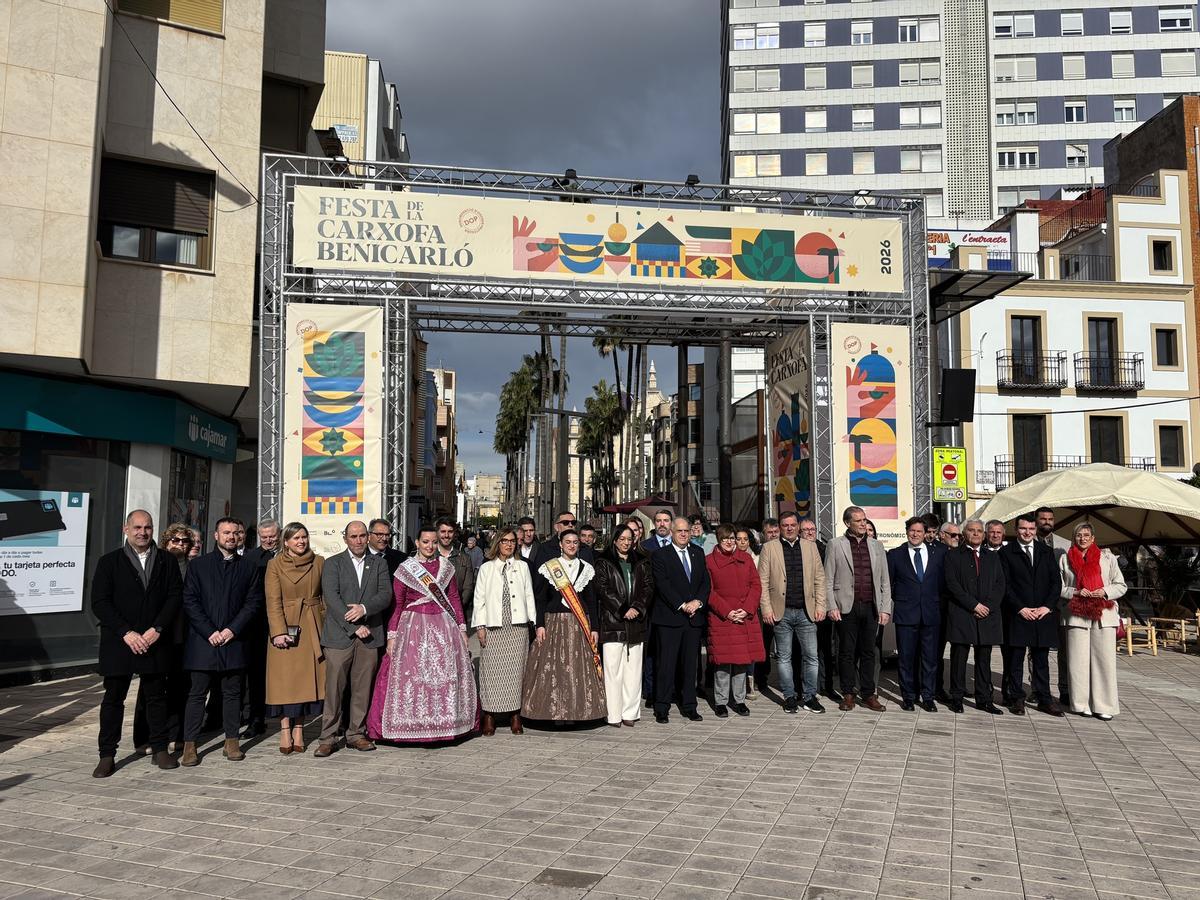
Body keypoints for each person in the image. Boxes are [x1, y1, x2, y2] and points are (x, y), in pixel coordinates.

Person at [91, 510, 184, 777]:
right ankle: (107, 754)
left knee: (156, 697)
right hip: (120, 641)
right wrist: (126, 632)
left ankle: (159, 749)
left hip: (155, 640)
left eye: (148, 527)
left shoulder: (167, 560)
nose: (143, 532)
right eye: (138, 527)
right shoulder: (109, 562)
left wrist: (157, 629)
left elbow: (174, 597)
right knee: (113, 699)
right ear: (126, 529)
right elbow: (99, 601)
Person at [368, 525, 478, 742]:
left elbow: (454, 598)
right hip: (412, 628)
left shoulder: (446, 567)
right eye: (425, 542)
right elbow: (397, 604)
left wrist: (462, 628)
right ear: (417, 543)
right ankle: (408, 726)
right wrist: (392, 635)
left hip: (443, 626)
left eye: (434, 542)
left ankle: (447, 724)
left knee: (444, 677)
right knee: (412, 677)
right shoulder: (405, 569)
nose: (430, 546)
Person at [180, 517, 264, 765]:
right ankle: (190, 745)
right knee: (197, 694)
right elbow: (190, 601)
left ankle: (231, 742)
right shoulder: (199, 565)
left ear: (240, 537)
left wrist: (231, 630)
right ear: (216, 535)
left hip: (234, 641)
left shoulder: (248, 567)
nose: (231, 537)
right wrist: (209, 631)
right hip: (202, 641)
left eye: (235, 533)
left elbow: (253, 603)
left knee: (232, 694)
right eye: (225, 532)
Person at [314, 521, 392, 757]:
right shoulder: (333, 563)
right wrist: (353, 626)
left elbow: (385, 595)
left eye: (362, 536)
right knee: (335, 689)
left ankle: (356, 734)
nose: (358, 540)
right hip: (340, 636)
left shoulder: (378, 563)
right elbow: (332, 598)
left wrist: (365, 608)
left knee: (362, 688)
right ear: (345, 538)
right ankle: (328, 737)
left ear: (368, 537)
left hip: (370, 636)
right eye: (353, 536)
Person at [523, 529, 606, 723]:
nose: (571, 545)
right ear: (560, 544)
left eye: (575, 542)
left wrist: (594, 627)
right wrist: (540, 624)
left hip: (579, 623)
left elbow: (592, 602)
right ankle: (554, 713)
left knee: (577, 668)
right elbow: (541, 599)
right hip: (554, 623)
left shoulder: (586, 568)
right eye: (567, 542)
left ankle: (575, 713)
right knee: (554, 668)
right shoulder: (549, 567)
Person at [263, 522, 326, 754]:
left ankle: (299, 728)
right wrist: (278, 631)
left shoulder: (319, 562)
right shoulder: (274, 565)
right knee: (285, 683)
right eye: (296, 538)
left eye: (304, 537)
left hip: (311, 626)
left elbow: (324, 597)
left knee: (305, 681)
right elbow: (272, 600)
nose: (301, 542)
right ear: (286, 542)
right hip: (285, 627)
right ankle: (285, 729)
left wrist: (325, 626)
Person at [132, 522, 192, 755]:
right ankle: (143, 737)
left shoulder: (192, 567)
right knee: (149, 689)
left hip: (182, 636)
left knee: (179, 687)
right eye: (175, 540)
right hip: (155, 635)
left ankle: (174, 734)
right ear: (166, 542)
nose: (179, 545)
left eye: (184, 541)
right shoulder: (154, 564)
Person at [758, 511, 827, 714]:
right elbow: (762, 582)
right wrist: (766, 609)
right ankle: (789, 697)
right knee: (784, 657)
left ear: (798, 526)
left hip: (807, 612)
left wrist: (821, 606)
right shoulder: (769, 548)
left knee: (811, 657)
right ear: (779, 527)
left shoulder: (810, 547)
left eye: (792, 525)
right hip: (781, 612)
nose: (789, 528)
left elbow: (820, 579)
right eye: (785, 525)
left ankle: (809, 697)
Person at [825, 506, 892, 711]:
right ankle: (848, 693)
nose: (863, 524)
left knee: (869, 652)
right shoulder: (835, 545)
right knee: (846, 652)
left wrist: (885, 608)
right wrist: (831, 605)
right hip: (846, 607)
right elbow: (828, 579)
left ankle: (869, 693)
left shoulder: (876, 546)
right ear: (847, 523)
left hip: (871, 606)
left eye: (864, 520)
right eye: (858, 521)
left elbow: (885, 581)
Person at [472, 527, 537, 735]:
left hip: (517, 625)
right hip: (494, 624)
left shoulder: (522, 567)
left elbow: (529, 594)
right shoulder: (487, 567)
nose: (509, 545)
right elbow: (479, 599)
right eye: (504, 541)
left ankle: (515, 715)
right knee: (491, 671)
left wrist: (533, 621)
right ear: (497, 543)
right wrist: (480, 627)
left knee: (517, 671)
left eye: (512, 541)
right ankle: (489, 715)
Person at [1059, 523, 1126, 720]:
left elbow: (1121, 585)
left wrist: (1104, 591)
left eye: (1086, 535)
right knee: (1077, 662)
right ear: (1074, 538)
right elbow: (1058, 587)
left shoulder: (1108, 558)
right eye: (1078, 535)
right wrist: (1075, 592)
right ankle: (1081, 703)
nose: (1082, 538)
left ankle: (1104, 705)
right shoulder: (1065, 558)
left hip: (1103, 615)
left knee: (1104, 662)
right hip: (1075, 615)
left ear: (1093, 538)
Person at [999, 513, 1064, 717]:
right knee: (1015, 661)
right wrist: (1020, 608)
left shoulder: (1046, 551)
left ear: (1035, 530)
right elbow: (1005, 584)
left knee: (1041, 661)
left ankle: (1045, 698)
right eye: (1023, 529)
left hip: (1042, 615)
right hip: (1018, 615)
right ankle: (1017, 699)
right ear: (1016, 530)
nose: (1027, 532)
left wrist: (1048, 606)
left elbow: (1056, 583)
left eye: (1031, 529)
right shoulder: (1007, 552)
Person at [650, 517, 710, 723]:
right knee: (666, 665)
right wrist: (682, 604)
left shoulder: (698, 552)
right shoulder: (660, 555)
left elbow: (705, 583)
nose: (684, 534)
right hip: (670, 618)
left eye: (687, 531)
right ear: (672, 533)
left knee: (690, 665)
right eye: (679, 531)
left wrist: (698, 602)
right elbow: (663, 585)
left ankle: (689, 705)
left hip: (693, 619)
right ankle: (662, 707)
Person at [943, 519, 1006, 715]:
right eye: (972, 530)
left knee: (984, 660)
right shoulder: (953, 556)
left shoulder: (993, 557)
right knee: (959, 658)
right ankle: (957, 698)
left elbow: (1000, 585)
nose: (976, 533)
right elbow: (952, 585)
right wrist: (974, 605)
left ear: (984, 535)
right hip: (962, 613)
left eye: (979, 531)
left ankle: (984, 699)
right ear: (964, 534)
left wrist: (987, 606)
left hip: (987, 615)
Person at [703, 525, 764, 718]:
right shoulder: (709, 562)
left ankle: (739, 700)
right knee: (723, 663)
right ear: (718, 541)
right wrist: (727, 611)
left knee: (741, 662)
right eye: (725, 539)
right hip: (723, 618)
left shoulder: (746, 559)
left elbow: (756, 585)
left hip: (744, 616)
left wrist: (746, 609)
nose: (729, 542)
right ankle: (721, 701)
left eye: (732, 539)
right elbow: (709, 591)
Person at [594, 526, 651, 726]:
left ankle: (630, 713)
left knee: (634, 671)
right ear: (615, 539)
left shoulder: (641, 561)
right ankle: (613, 714)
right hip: (613, 622)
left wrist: (637, 607)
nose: (626, 542)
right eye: (623, 538)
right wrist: (622, 609)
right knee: (613, 671)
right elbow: (603, 589)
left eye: (630, 538)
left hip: (636, 622)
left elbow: (647, 588)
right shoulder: (604, 562)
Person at [886, 517, 944, 712]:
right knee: (906, 658)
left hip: (931, 613)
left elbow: (943, 583)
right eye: (912, 530)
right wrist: (904, 600)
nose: (915, 534)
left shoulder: (940, 553)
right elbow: (890, 584)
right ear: (906, 531)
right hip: (906, 614)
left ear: (926, 533)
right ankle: (908, 696)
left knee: (930, 659)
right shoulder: (895, 555)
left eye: (919, 531)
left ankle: (928, 696)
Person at [242, 518, 280, 737]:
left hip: (285, 623)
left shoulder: (287, 556)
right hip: (257, 625)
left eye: (272, 536)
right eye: (263, 537)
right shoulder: (250, 558)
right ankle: (255, 718)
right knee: (255, 673)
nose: (267, 540)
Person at [1036, 506, 1072, 705]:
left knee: (1065, 651)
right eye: (1043, 519)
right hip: (1037, 605)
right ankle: (1037, 688)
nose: (1047, 522)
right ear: (1036, 520)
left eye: (1050, 518)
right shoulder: (1028, 542)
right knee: (1036, 650)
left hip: (1061, 605)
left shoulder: (1065, 545)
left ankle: (1065, 689)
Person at [800, 518, 839, 703]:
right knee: (805, 651)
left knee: (825, 649)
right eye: (806, 530)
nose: (809, 532)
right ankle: (809, 687)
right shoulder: (795, 549)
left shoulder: (825, 549)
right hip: (802, 607)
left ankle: (827, 686)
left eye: (812, 529)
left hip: (822, 606)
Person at [934, 521, 962, 701]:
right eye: (953, 535)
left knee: (959, 652)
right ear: (942, 534)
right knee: (936, 652)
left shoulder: (960, 553)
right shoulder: (936, 553)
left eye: (959, 535)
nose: (957, 538)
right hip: (940, 609)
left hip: (959, 610)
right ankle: (937, 688)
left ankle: (958, 688)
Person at [436, 518, 477, 623]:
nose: (446, 535)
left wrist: (456, 608)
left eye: (450, 532)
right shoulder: (429, 556)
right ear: (437, 533)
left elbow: (468, 587)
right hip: (431, 613)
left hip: (456, 614)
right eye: (443, 532)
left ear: (454, 534)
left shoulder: (464, 558)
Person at [531, 511, 595, 570]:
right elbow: (539, 577)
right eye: (565, 523)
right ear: (556, 527)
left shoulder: (584, 549)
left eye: (573, 523)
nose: (570, 525)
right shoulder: (545, 549)